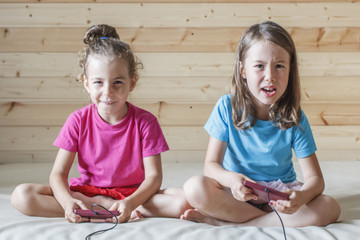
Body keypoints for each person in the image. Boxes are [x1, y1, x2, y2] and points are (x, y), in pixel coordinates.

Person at [11, 24, 190, 223]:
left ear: (132, 83)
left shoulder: (146, 122)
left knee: (184, 200)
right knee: (22, 195)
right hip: (88, 195)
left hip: (132, 196)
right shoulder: (77, 120)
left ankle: (109, 211)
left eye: (117, 82)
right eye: (98, 82)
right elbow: (58, 174)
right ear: (86, 83)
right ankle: (101, 209)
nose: (108, 92)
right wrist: (67, 202)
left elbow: (154, 178)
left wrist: (130, 203)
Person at [181, 21, 341, 227]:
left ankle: (234, 222)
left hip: (279, 196)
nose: (270, 76)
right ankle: (264, 221)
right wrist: (233, 181)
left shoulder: (295, 117)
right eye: (259, 66)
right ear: (243, 70)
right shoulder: (225, 107)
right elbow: (211, 167)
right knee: (195, 187)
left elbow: (316, 180)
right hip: (238, 193)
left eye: (279, 66)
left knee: (330, 206)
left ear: (290, 70)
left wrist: (300, 197)